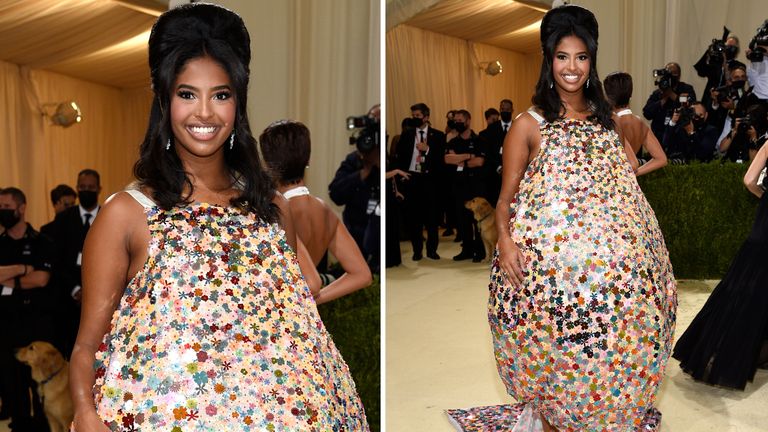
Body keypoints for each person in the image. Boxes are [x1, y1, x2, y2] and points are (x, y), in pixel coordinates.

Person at [69, 4, 368, 431]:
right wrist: (84, 411)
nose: (205, 113)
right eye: (187, 94)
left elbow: (299, 314)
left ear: (238, 102)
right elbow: (86, 346)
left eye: (221, 95)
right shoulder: (126, 214)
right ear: (165, 100)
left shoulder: (270, 207)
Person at [486, 5, 676, 430]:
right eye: (562, 57)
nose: (571, 68)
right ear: (548, 60)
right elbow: (505, 200)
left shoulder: (607, 121)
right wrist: (505, 240)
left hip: (606, 275)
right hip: (547, 277)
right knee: (554, 358)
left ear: (592, 61)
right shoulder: (527, 124)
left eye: (581, 57)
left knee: (608, 353)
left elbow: (626, 178)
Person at [672, 137, 768, 390]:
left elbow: (749, 180)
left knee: (742, 293)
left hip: (763, 231)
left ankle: (716, 353)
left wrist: (764, 198)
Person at [259, 119, 372, 303]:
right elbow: (362, 275)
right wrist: (313, 302)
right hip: (304, 317)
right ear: (308, 159)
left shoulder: (275, 211)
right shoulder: (324, 209)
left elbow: (312, 283)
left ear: (267, 164)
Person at [0, 187, 58, 431]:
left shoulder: (41, 241)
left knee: (40, 385)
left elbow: (42, 280)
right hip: (6, 322)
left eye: (6, 207)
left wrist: (8, 275)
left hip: (36, 322)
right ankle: (20, 424)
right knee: (12, 385)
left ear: (21, 208)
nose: (2, 212)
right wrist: (24, 269)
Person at [49, 169, 102, 356]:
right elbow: (56, 259)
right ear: (77, 188)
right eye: (83, 187)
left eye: (91, 187)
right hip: (68, 299)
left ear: (99, 189)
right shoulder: (63, 219)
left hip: (101, 299)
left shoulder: (109, 216)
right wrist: (75, 289)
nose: (86, 190)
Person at [328, 105, 381, 271]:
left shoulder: (389, 156)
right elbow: (336, 194)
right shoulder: (355, 160)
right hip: (356, 236)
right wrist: (364, 171)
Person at [392, 102, 446, 261]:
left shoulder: (438, 135)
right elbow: (400, 157)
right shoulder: (407, 135)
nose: (415, 118)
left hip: (430, 181)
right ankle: (417, 250)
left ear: (426, 117)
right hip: (412, 179)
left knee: (432, 218)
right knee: (414, 218)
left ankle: (432, 250)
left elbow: (440, 160)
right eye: (413, 116)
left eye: (418, 116)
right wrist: (401, 176)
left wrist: (427, 149)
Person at [444, 109, 487, 262]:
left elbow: (480, 162)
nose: (458, 123)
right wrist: (469, 156)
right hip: (459, 185)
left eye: (460, 120)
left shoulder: (479, 140)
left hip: (476, 186)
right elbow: (448, 159)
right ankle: (466, 249)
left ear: (468, 121)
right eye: (456, 120)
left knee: (478, 221)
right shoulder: (452, 142)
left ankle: (480, 250)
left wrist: (460, 159)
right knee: (463, 220)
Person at [603, 71, 668, 173]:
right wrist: (633, 175)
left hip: (611, 182)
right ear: (630, 94)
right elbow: (661, 159)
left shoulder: (611, 123)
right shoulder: (640, 123)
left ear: (607, 96)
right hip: (629, 183)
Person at [642, 62, 697, 143]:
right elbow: (647, 113)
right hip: (659, 136)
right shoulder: (658, 93)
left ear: (678, 75)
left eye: (673, 73)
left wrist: (671, 94)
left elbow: (689, 104)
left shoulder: (685, 89)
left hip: (679, 137)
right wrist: (662, 100)